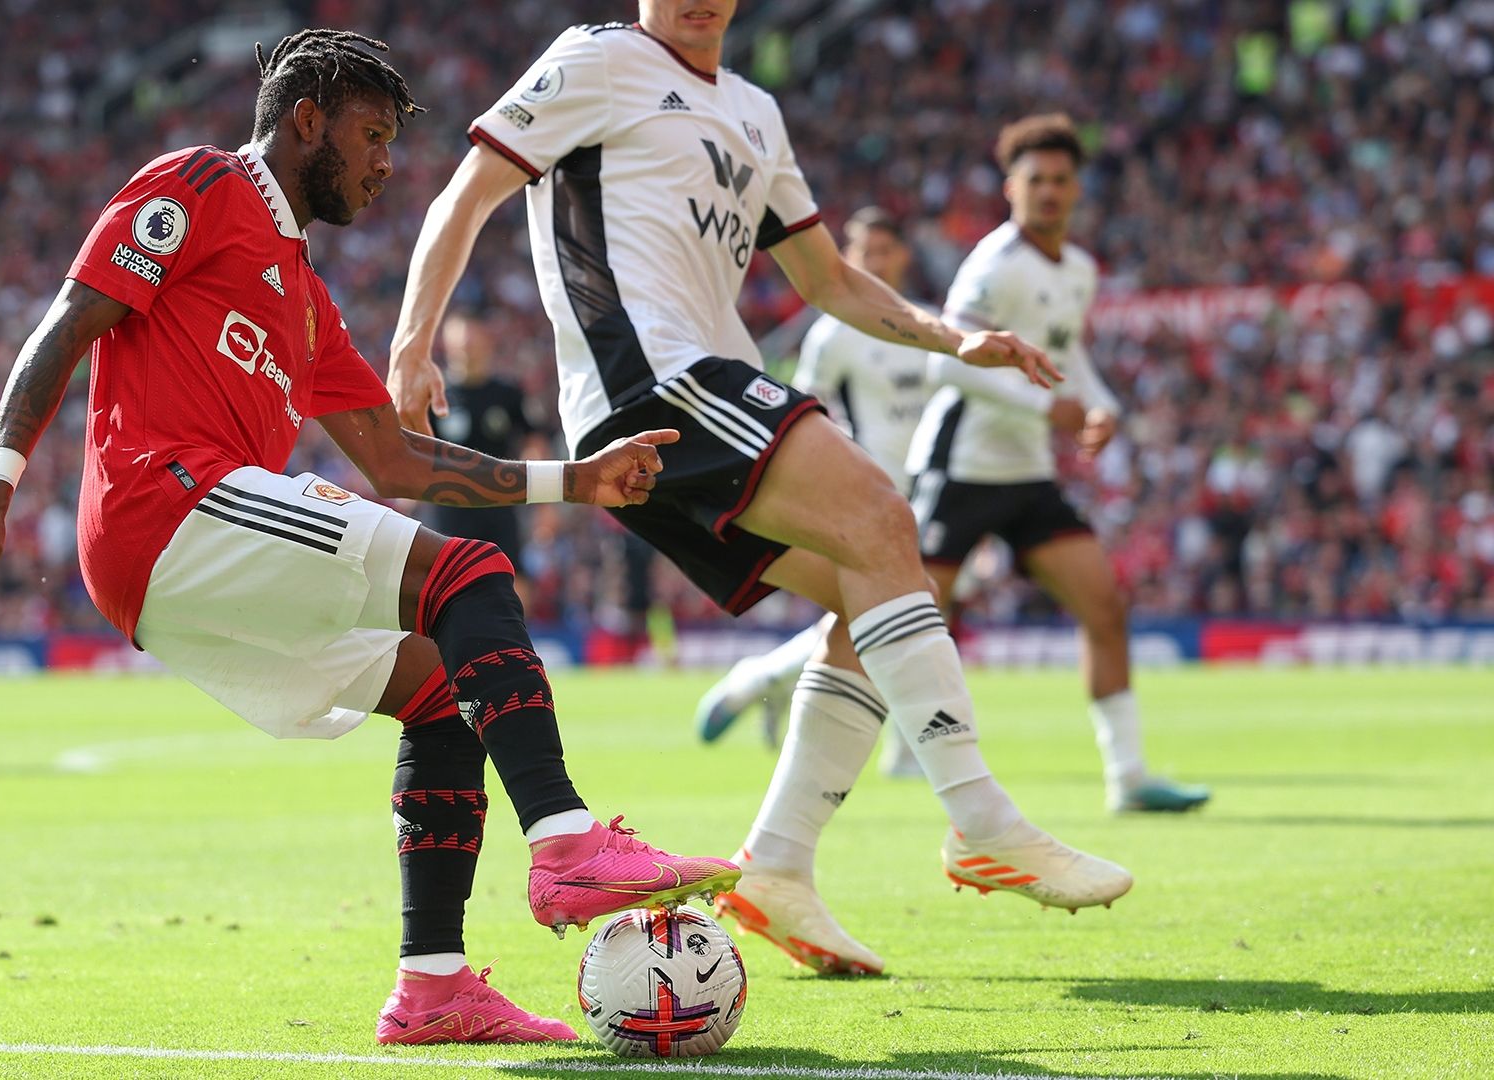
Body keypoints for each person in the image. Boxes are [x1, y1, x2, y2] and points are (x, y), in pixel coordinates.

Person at [0, 30, 738, 1045]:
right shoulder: (202, 186)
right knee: (467, 574)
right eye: (372, 136)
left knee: (443, 691)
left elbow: (399, 461)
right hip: (166, 508)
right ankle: (563, 842)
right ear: (307, 121)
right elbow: (70, 320)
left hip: (184, 555)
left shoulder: (306, 299)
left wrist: (578, 480)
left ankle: (432, 989)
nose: (385, 166)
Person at [387, 2, 1132, 980]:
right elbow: (468, 192)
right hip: (651, 382)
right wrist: (410, 344)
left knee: (872, 587)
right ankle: (980, 818)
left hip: (684, 400)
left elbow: (828, 279)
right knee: (883, 517)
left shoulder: (754, 111)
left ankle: (776, 867)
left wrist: (956, 335)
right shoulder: (600, 60)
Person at [904, 114, 1211, 815]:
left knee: (1104, 606)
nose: (1048, 192)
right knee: (908, 621)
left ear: (1077, 189)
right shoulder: (992, 264)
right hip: (961, 465)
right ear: (1011, 186)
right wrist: (1049, 411)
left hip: (1027, 475)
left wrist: (1102, 408)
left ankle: (1128, 777)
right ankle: (775, 685)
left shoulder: (1078, 270)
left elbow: (1071, 361)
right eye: (1034, 179)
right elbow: (946, 364)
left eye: (1060, 180)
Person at [694, 208, 930, 782]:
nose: (872, 262)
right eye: (861, 252)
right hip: (870, 496)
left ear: (903, 256)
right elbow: (813, 417)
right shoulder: (833, 335)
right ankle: (907, 754)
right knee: (907, 606)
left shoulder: (929, 327)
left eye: (882, 251)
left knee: (917, 609)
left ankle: (767, 676)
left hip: (930, 490)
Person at [426, 313, 535, 569]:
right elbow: (413, 444)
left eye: (472, 342)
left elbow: (534, 440)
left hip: (499, 503)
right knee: (449, 579)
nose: (466, 349)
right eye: (460, 344)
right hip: (448, 506)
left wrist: (542, 498)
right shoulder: (434, 396)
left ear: (487, 342)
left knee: (512, 579)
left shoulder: (508, 394)